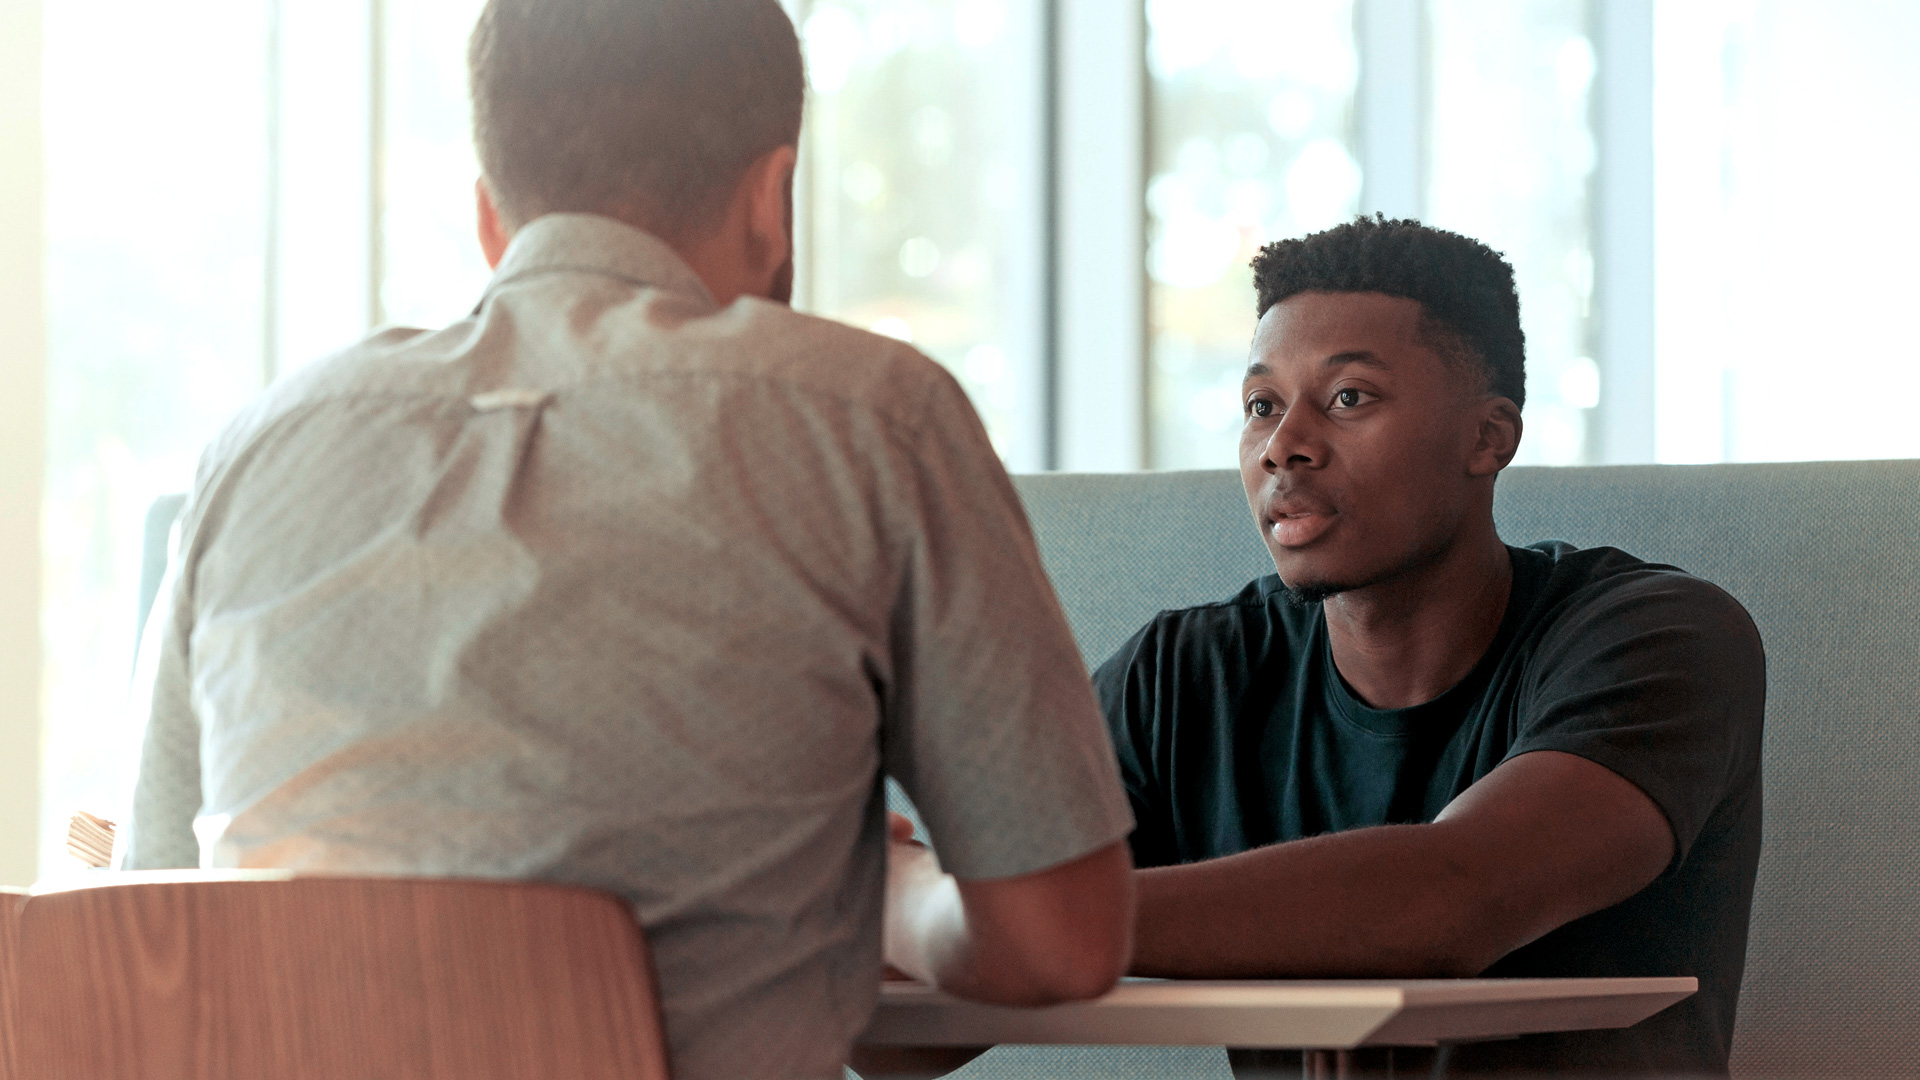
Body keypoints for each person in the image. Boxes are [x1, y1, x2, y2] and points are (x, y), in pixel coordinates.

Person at [122, 2, 1135, 1077]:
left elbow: (149, 922)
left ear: (489, 219)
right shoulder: (874, 418)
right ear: (773, 201)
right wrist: (895, 903)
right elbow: (1058, 942)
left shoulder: (257, 447)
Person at [1096, 217, 1764, 1076]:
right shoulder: (1185, 676)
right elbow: (919, 1043)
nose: (1281, 446)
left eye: (1348, 399)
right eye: (1261, 406)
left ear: (1489, 438)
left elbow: (1449, 900)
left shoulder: (1662, 639)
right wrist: (910, 905)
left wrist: (1005, 922)